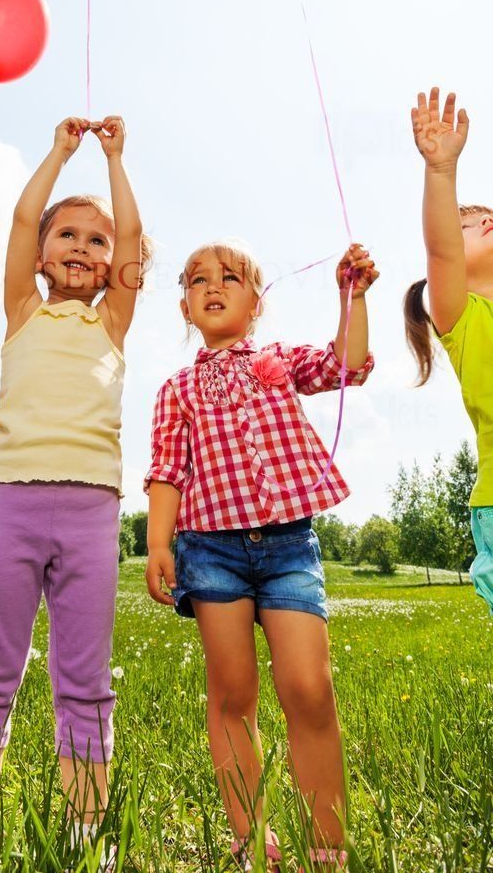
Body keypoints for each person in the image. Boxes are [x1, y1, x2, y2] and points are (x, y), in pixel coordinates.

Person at [0, 116, 150, 872]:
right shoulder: (22, 310)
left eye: (95, 242)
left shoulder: (114, 324)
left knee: (85, 678)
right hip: (9, 499)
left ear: (110, 266)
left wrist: (113, 161)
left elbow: (133, 238)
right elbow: (21, 216)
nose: (82, 248)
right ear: (40, 256)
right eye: (67, 235)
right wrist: (60, 152)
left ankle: (83, 826)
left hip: (93, 507)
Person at [145, 238, 377, 872]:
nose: (212, 287)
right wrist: (158, 543)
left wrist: (350, 296)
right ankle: (252, 842)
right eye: (196, 281)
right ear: (186, 307)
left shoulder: (278, 360)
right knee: (232, 693)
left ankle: (327, 848)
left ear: (256, 303)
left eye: (229, 278)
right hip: (209, 549)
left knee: (307, 687)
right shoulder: (177, 389)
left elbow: (347, 364)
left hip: (287, 546)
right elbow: (166, 470)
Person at [404, 87, 493, 615]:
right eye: (470, 222)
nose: (487, 220)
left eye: (489, 216)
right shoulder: (461, 315)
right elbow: (441, 247)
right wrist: (441, 171)